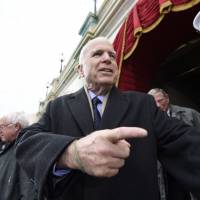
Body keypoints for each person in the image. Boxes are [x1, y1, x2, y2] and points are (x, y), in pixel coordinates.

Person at [16, 37, 200, 200]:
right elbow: (27, 142)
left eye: (112, 56)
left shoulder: (143, 104)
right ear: (80, 70)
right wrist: (71, 153)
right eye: (98, 54)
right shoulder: (58, 107)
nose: (107, 59)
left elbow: (186, 145)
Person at [148, 88, 200, 200]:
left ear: (167, 98)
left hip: (188, 168)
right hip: (165, 173)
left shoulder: (190, 114)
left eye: (160, 100)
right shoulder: (148, 121)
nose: (157, 105)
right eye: (153, 102)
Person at [0, 112, 37, 200]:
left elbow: (29, 193)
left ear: (16, 126)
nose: (0, 130)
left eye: (1, 127)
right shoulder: (8, 147)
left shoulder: (26, 149)